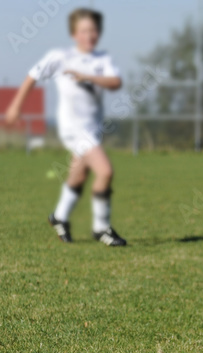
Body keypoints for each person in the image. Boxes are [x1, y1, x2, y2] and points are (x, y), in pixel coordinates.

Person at [4, 8, 127, 247]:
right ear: (74, 33)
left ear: (99, 32)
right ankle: (101, 228)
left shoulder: (103, 59)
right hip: (73, 128)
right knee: (105, 171)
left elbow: (116, 82)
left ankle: (59, 216)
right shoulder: (60, 57)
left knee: (79, 175)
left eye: (93, 30)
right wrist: (16, 106)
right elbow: (32, 76)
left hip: (93, 127)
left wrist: (88, 77)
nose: (89, 35)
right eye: (84, 30)